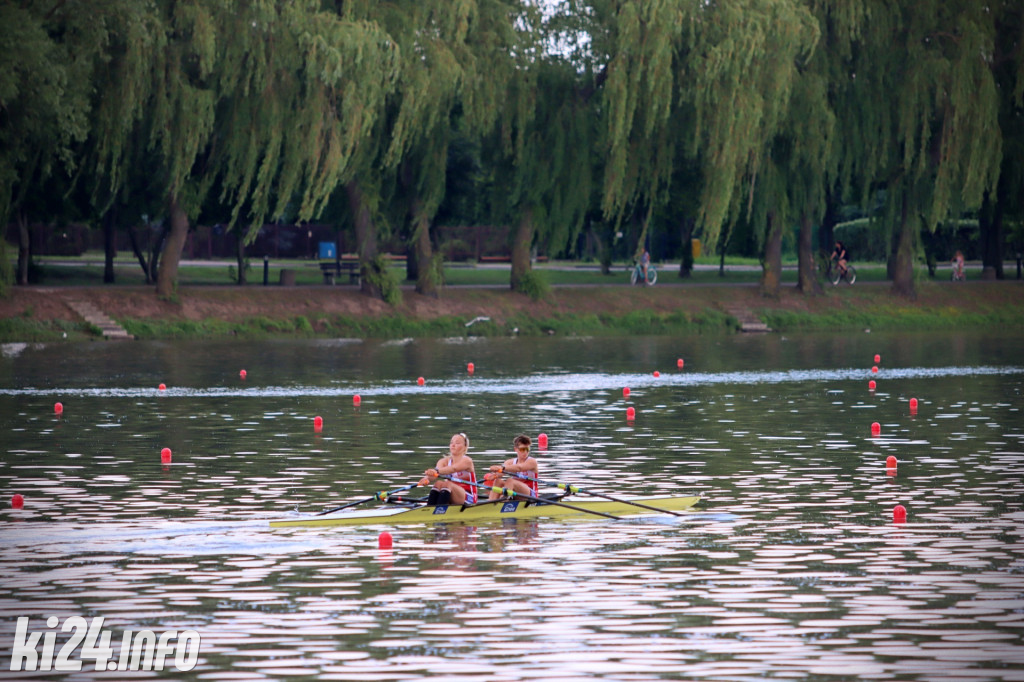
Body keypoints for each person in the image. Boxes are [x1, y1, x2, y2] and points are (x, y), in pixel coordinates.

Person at [420, 432, 477, 505]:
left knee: (447, 484)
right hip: (451, 492)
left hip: (469, 498)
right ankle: (429, 509)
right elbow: (435, 474)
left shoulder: (467, 461)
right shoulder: (443, 461)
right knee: (438, 483)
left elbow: (453, 469)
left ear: (465, 447)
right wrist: (427, 478)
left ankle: (440, 510)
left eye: (457, 443)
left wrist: (436, 471)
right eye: (451, 442)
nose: (453, 445)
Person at [486, 434, 539, 500]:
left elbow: (519, 468)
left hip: (530, 494)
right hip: (516, 491)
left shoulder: (532, 461)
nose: (525, 452)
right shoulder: (509, 462)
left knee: (510, 481)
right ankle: (491, 503)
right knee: (498, 481)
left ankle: (504, 501)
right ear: (515, 449)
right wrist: (495, 475)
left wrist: (502, 467)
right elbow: (501, 473)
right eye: (522, 449)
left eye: (527, 449)